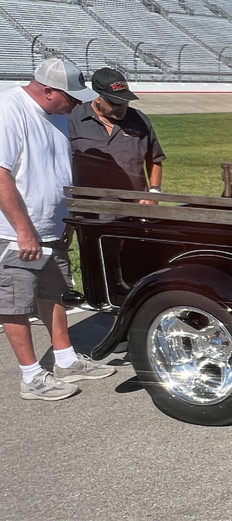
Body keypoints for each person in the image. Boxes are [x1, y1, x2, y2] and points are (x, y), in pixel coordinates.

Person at [0, 58, 115, 401]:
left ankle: (65, 359)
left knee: (54, 292)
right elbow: (1, 175)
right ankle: (31, 376)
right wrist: (24, 230)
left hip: (50, 227)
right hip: (15, 232)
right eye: (71, 96)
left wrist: (64, 218)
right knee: (16, 302)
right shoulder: (9, 110)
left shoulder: (57, 116)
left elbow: (55, 170)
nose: (78, 103)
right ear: (48, 90)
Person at [68, 68, 165, 205]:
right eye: (115, 103)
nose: (123, 106)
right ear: (97, 98)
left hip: (134, 208)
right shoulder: (73, 118)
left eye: (126, 100)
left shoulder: (140, 120)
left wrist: (155, 192)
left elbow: (155, 158)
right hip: (88, 209)